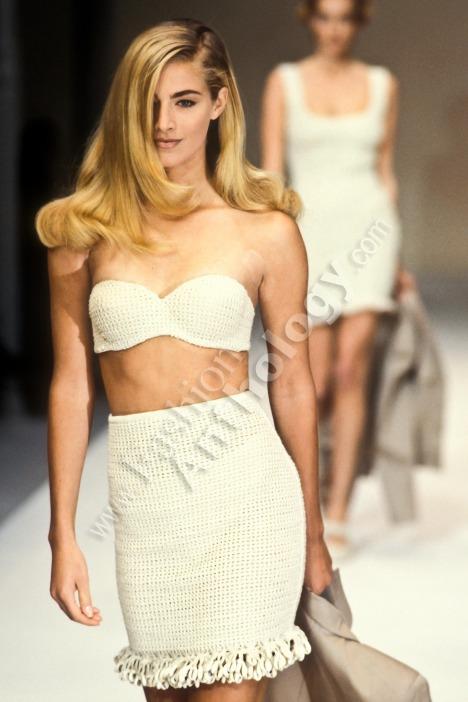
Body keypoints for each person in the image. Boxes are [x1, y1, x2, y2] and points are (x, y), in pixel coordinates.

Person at [36, 18, 332, 702]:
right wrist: (62, 537)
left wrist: (314, 534)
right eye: (149, 103)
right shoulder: (84, 236)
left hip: (246, 497)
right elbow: (72, 388)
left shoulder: (266, 231)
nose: (164, 123)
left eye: (185, 101)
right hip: (148, 509)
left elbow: (293, 384)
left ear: (220, 102)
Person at [260, 0, 416, 558]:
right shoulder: (284, 82)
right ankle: (306, 502)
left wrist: (396, 259)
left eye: (344, 17)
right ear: (309, 19)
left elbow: (386, 173)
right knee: (315, 381)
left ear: (359, 22)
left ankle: (341, 508)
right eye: (324, 16)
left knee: (353, 373)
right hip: (308, 234)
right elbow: (273, 172)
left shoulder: (382, 84)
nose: (333, 29)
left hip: (369, 230)